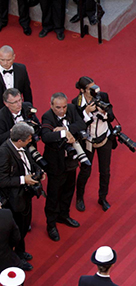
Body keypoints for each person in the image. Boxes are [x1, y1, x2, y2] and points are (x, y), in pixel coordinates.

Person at [40, 92, 86, 241]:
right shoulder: (47, 116)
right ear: (51, 105)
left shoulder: (72, 109)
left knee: (68, 189)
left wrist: (65, 131)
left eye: (64, 107)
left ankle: (64, 215)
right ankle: (51, 224)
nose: (62, 110)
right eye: (58, 107)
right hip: (55, 163)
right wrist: (64, 135)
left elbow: (81, 124)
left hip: (71, 160)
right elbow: (46, 137)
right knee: (53, 195)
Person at [0, 123, 44, 271]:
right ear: (20, 140)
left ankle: (20, 251)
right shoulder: (4, 152)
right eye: (28, 139)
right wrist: (23, 180)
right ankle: (17, 256)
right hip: (14, 199)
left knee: (24, 225)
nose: (30, 141)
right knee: (18, 228)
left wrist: (38, 171)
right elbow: (2, 180)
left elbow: (29, 162)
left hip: (25, 194)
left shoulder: (21, 147)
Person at [72, 77, 115, 212]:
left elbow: (112, 116)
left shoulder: (103, 96)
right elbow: (78, 126)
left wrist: (105, 113)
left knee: (105, 171)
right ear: (82, 90)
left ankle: (102, 198)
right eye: (90, 88)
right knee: (85, 170)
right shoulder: (76, 103)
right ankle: (79, 197)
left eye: (94, 86)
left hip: (104, 137)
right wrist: (86, 113)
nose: (95, 90)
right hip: (88, 141)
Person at [0, 209, 22, 275]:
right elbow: (16, 237)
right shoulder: (6, 214)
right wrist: (11, 246)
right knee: (16, 276)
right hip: (6, 258)